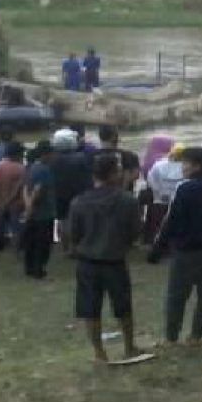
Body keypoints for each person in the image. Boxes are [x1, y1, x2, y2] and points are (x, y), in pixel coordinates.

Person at [149, 147, 202, 345]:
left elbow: (172, 220)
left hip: (186, 250)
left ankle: (171, 337)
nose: (182, 167)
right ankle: (197, 335)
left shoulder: (184, 188)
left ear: (197, 166)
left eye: (185, 163)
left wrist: (157, 249)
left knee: (177, 296)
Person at [69, 152, 145, 363]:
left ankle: (99, 353)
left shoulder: (79, 202)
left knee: (90, 309)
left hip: (87, 261)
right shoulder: (127, 201)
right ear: (112, 174)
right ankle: (129, 347)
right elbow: (135, 231)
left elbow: (73, 234)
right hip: (115, 260)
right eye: (119, 169)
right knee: (123, 306)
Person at [51, 128, 93, 253]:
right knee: (76, 221)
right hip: (77, 193)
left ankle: (64, 246)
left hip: (59, 193)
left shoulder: (52, 159)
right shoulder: (80, 158)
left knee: (62, 220)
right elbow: (87, 178)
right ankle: (73, 247)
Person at [22, 141, 58, 279]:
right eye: (52, 153)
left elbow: (25, 189)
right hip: (43, 213)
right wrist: (30, 208)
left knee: (31, 242)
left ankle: (29, 268)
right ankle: (39, 270)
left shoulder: (31, 168)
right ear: (46, 154)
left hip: (33, 212)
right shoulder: (44, 170)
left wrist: (28, 207)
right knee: (42, 244)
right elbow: (37, 190)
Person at [0, 141, 26, 253]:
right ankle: (15, 252)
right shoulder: (20, 168)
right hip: (15, 203)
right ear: (17, 154)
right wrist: (8, 201)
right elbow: (19, 187)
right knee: (16, 229)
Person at [144, 139, 183, 245]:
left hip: (160, 201)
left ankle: (157, 243)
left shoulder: (159, 164)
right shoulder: (185, 166)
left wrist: (160, 193)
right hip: (178, 202)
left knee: (160, 225)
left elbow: (150, 180)